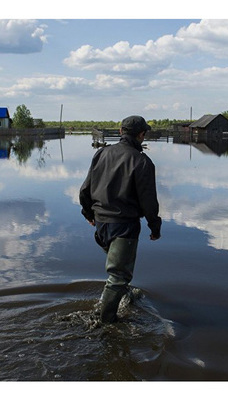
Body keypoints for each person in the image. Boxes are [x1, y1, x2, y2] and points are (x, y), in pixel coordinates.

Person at [79, 115, 162, 323]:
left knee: (118, 270)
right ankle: (104, 322)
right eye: (144, 134)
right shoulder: (142, 161)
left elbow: (85, 189)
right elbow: (148, 201)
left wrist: (89, 214)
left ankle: (123, 297)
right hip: (124, 226)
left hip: (101, 224)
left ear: (120, 132)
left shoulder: (101, 153)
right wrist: (155, 226)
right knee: (119, 276)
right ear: (142, 135)